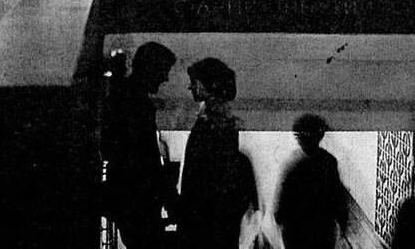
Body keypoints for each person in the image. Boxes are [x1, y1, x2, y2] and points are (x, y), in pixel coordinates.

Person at [103, 42, 178, 249]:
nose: (166, 78)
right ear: (150, 68)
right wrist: (170, 197)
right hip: (138, 201)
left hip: (128, 201)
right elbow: (147, 159)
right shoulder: (137, 104)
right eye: (163, 71)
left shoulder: (124, 97)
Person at [179, 58, 256, 249]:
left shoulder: (210, 124)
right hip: (218, 224)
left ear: (208, 84)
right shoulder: (223, 122)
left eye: (195, 82)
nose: (191, 87)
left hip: (205, 224)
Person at [274, 114, 348, 249]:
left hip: (295, 230)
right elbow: (338, 198)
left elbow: (280, 204)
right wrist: (342, 223)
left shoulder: (291, 162)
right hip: (323, 230)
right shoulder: (329, 161)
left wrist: (280, 221)